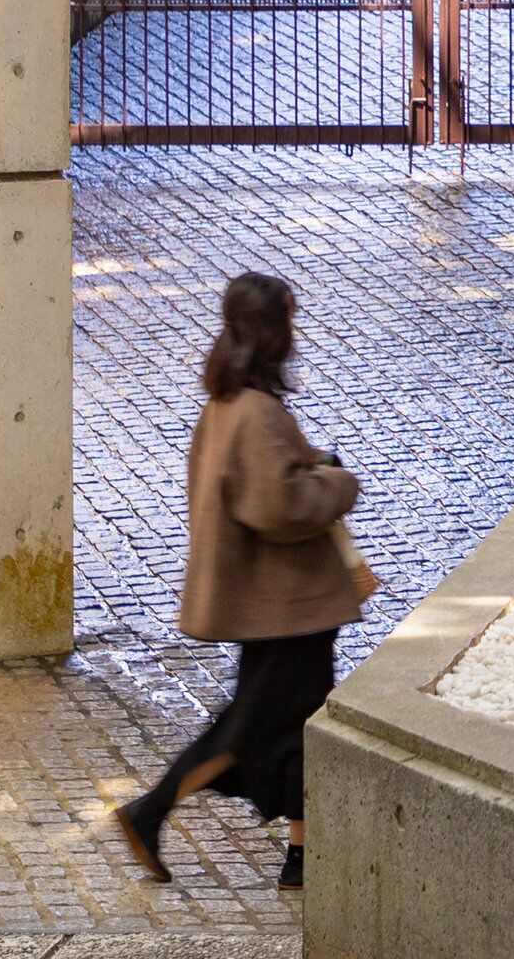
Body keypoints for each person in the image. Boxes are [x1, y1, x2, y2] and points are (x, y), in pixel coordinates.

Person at [116, 272, 363, 892]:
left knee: (300, 726)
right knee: (248, 734)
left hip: (280, 605)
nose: (297, 333)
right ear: (272, 331)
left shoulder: (229, 403)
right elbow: (276, 506)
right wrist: (336, 482)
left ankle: (301, 858)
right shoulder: (255, 413)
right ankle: (150, 810)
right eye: (291, 321)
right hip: (287, 607)